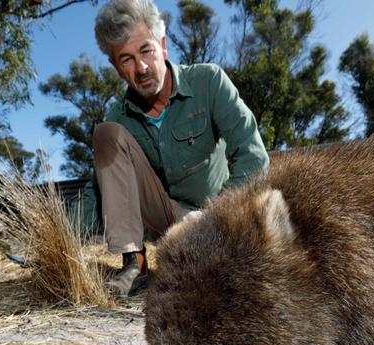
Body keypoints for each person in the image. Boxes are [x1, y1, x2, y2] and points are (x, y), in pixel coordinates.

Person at [93, 0, 269, 297]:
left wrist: (217, 213)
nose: (142, 67)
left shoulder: (209, 81)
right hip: (172, 220)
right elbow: (105, 188)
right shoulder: (119, 119)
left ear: (163, 45)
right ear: (116, 67)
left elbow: (254, 155)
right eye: (127, 59)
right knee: (105, 134)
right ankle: (135, 266)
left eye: (146, 50)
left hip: (222, 213)